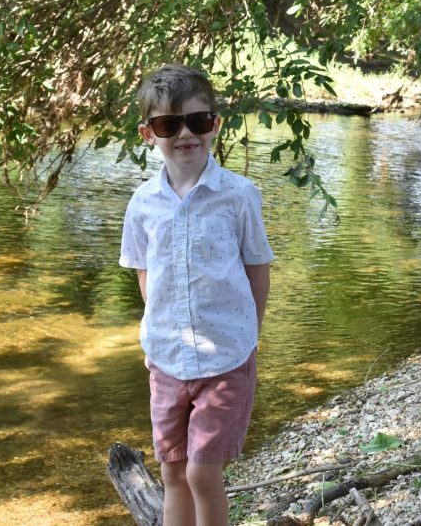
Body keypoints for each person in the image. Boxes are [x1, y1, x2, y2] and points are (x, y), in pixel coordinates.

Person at [120, 64, 274, 526]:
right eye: (170, 124)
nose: (186, 134)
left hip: (226, 357)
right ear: (149, 133)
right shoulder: (142, 203)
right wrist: (157, 331)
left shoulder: (238, 195)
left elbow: (257, 269)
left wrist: (250, 336)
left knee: (203, 472)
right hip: (166, 358)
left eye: (198, 121)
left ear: (215, 124)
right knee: (172, 471)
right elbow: (146, 275)